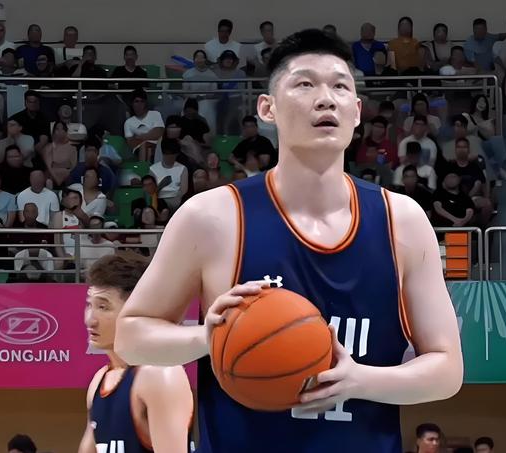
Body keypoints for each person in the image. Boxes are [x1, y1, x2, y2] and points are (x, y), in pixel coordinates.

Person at [115, 28, 462, 453]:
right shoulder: (212, 217)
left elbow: (447, 370)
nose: (325, 98)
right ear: (267, 108)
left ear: (356, 112)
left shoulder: (402, 221)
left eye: (340, 86)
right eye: (305, 84)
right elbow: (130, 336)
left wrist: (360, 380)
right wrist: (208, 338)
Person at [78, 253, 193, 453]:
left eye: (103, 307)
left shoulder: (159, 374)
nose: (90, 319)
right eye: (90, 305)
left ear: (136, 311)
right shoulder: (99, 381)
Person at [124, 89, 165, 162]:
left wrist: (138, 137)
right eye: (136, 101)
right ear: (132, 104)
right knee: (144, 146)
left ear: (145, 103)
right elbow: (131, 144)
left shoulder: (155, 114)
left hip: (157, 146)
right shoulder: (128, 122)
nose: (139, 104)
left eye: (142, 101)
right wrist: (150, 135)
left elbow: (159, 133)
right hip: (139, 150)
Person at [148, 139, 188, 210]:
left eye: (172, 154)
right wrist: (162, 185)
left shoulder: (182, 169)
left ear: (176, 154)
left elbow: (183, 191)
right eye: (166, 154)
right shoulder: (153, 169)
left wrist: (176, 200)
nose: (169, 157)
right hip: (159, 199)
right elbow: (151, 192)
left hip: (176, 199)